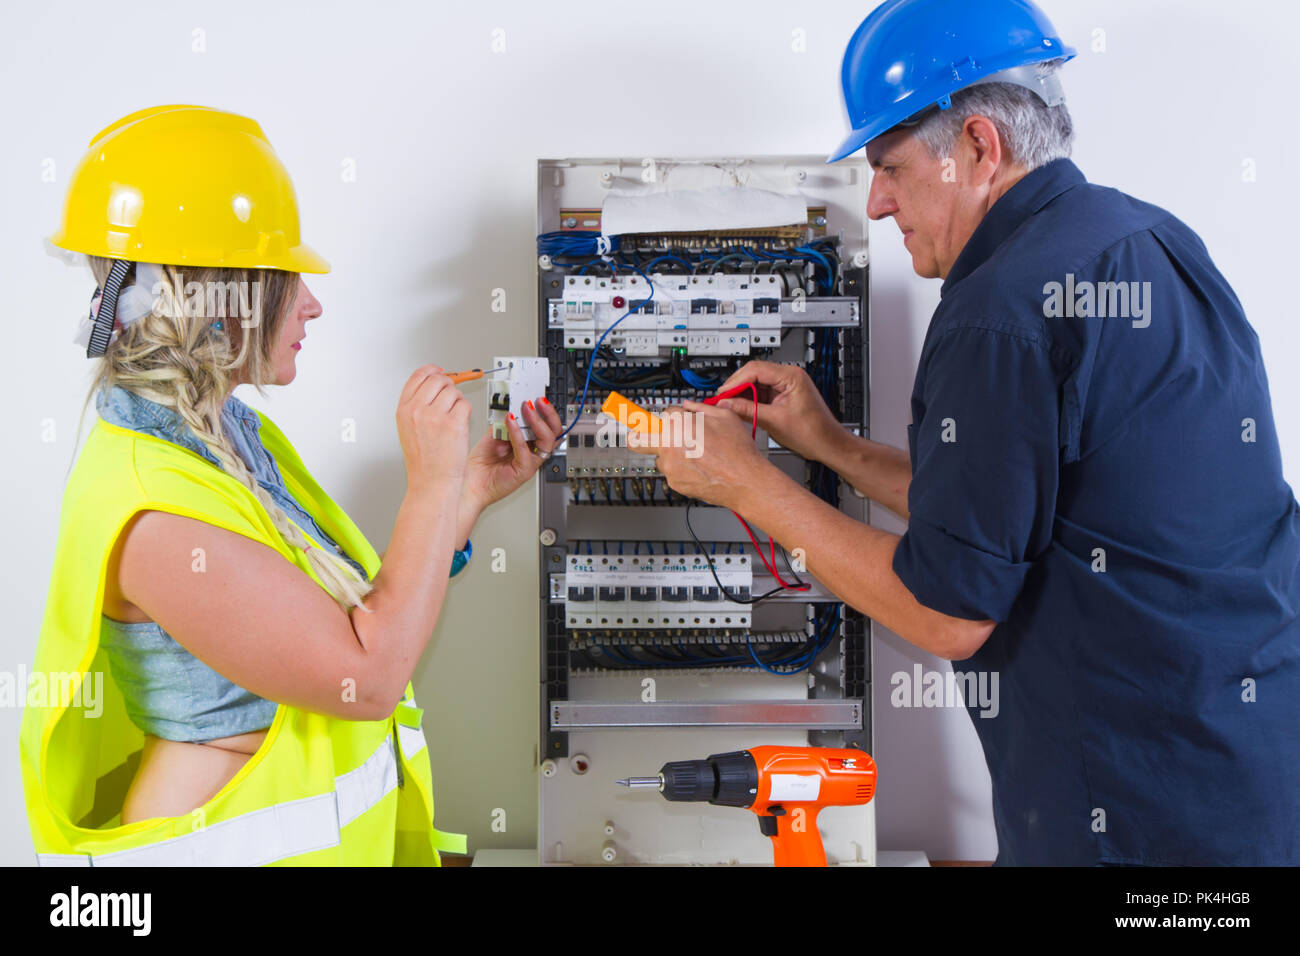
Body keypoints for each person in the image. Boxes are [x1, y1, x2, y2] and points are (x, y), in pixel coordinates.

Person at [644, 0, 1300, 865]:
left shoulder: (1000, 310)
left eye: (889, 167)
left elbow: (948, 608)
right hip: (1249, 778)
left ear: (978, 147)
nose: (875, 203)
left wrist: (744, 483)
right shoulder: (1148, 238)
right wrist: (830, 447)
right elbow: (1019, 515)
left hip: (1132, 816)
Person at [20, 104, 560, 865]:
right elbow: (366, 676)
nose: (312, 303)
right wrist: (430, 488)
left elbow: (352, 617)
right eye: (287, 278)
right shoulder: (155, 509)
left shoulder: (225, 438)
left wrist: (464, 493)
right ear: (213, 294)